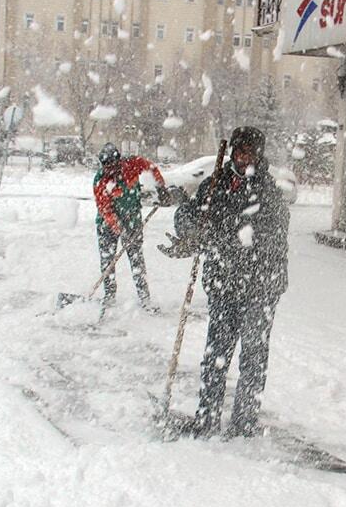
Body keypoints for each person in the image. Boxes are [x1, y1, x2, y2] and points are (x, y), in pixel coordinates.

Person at [167, 126, 290, 437]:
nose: (243, 156)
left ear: (258, 155)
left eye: (250, 151)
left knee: (253, 354)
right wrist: (191, 225)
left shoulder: (268, 192)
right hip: (224, 285)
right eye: (239, 151)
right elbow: (186, 217)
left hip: (260, 286)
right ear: (232, 151)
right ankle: (206, 418)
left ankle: (245, 422)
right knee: (216, 354)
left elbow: (264, 238)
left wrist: (219, 233)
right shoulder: (215, 184)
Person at [93, 142, 170, 314]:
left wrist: (161, 187)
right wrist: (119, 228)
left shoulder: (132, 165)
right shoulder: (101, 180)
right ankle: (109, 296)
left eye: (113, 165)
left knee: (137, 260)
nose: (110, 170)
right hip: (107, 225)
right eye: (106, 167)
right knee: (108, 261)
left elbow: (152, 168)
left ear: (119, 161)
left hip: (133, 220)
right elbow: (105, 209)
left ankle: (144, 299)